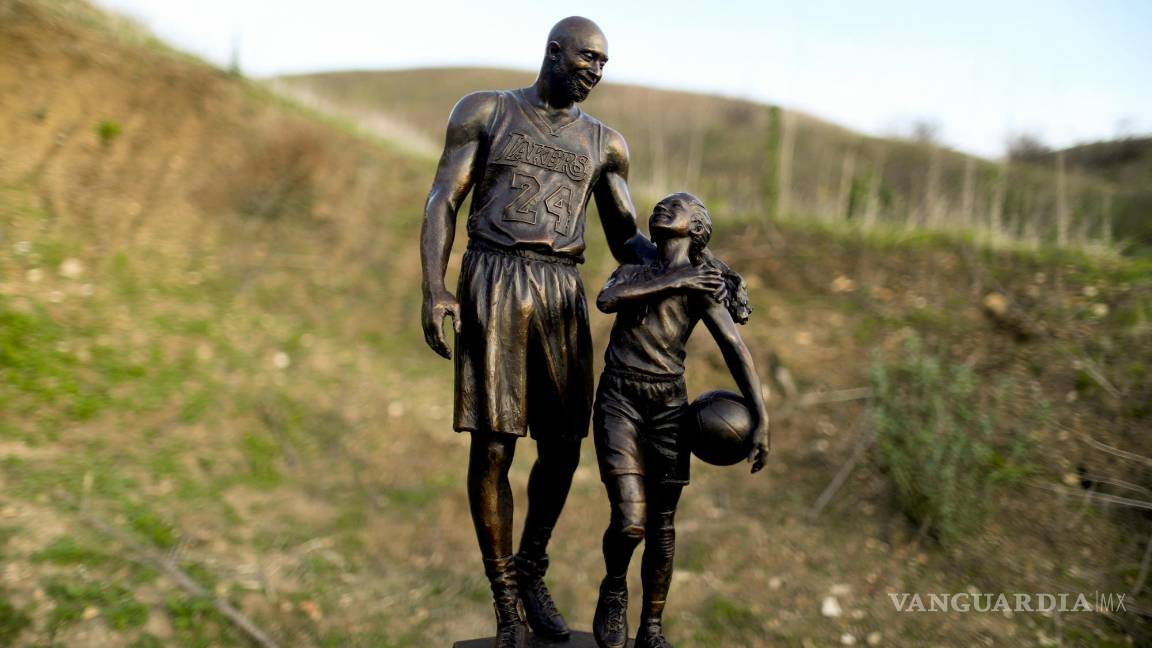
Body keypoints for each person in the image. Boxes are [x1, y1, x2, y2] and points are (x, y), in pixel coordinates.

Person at [419, 16, 656, 648]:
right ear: (554, 53)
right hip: (494, 278)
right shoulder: (486, 111)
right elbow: (443, 199)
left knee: (563, 444)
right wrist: (434, 287)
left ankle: (530, 568)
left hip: (561, 290)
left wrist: (685, 262)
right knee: (494, 446)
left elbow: (626, 238)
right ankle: (504, 596)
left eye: (603, 64)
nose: (595, 72)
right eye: (587, 59)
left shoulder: (605, 144)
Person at [590, 193, 769, 648]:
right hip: (619, 400)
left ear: (698, 228)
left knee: (662, 524)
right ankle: (614, 587)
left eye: (679, 205)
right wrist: (678, 278)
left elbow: (735, 349)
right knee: (630, 520)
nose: (664, 207)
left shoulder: (702, 286)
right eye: (662, 204)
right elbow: (608, 298)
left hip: (668, 407)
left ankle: (652, 627)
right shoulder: (634, 269)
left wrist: (762, 417)